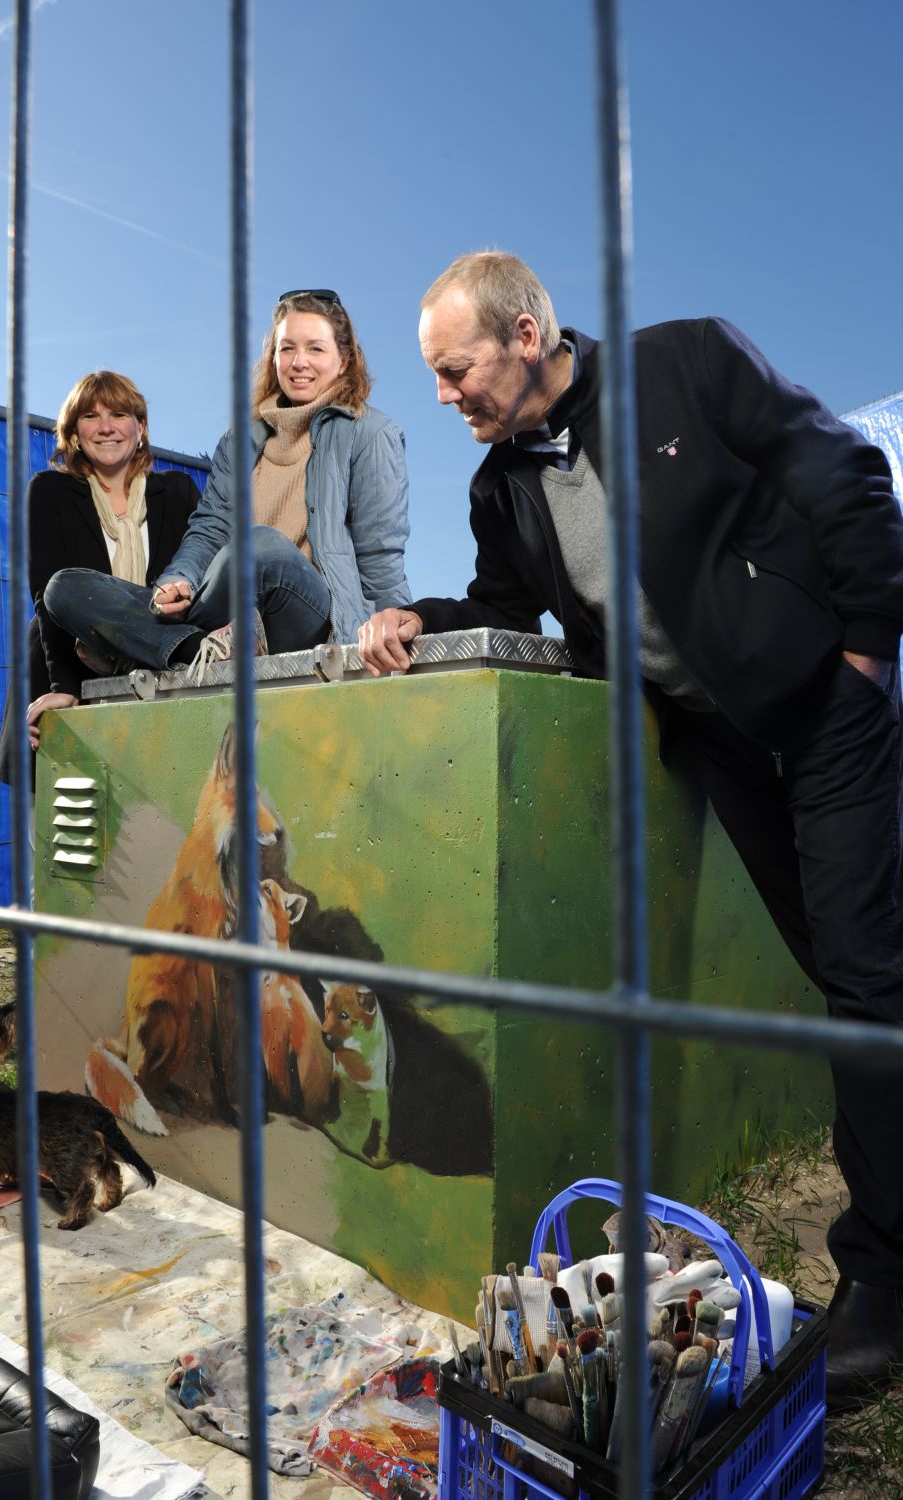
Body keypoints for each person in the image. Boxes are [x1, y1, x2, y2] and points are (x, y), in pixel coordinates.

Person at [358, 251, 903, 1411]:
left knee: (864, 978)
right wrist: (415, 614)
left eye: (456, 371)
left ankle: (879, 1284)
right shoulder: (498, 488)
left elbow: (847, 475)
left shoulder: (685, 363)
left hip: (824, 712)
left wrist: (864, 654)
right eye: (435, 379)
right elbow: (505, 608)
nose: (445, 396)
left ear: (524, 332)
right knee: (849, 972)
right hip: (720, 745)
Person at [42, 289, 411, 677]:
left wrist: (395, 634)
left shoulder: (371, 433)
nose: (299, 362)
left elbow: (379, 555)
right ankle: (196, 646)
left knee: (258, 546)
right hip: (228, 612)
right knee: (66, 587)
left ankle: (134, 648)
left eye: (315, 349)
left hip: (309, 613)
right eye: (287, 349)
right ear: (273, 358)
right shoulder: (239, 441)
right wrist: (178, 580)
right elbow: (210, 529)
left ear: (344, 360)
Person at [0, 370, 199, 784]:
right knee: (70, 826)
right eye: (90, 416)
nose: (106, 427)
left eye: (119, 414)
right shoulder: (49, 491)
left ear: (140, 428)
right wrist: (63, 685)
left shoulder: (178, 491)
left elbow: (197, 581)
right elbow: (48, 592)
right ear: (73, 432)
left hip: (159, 674)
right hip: (69, 660)